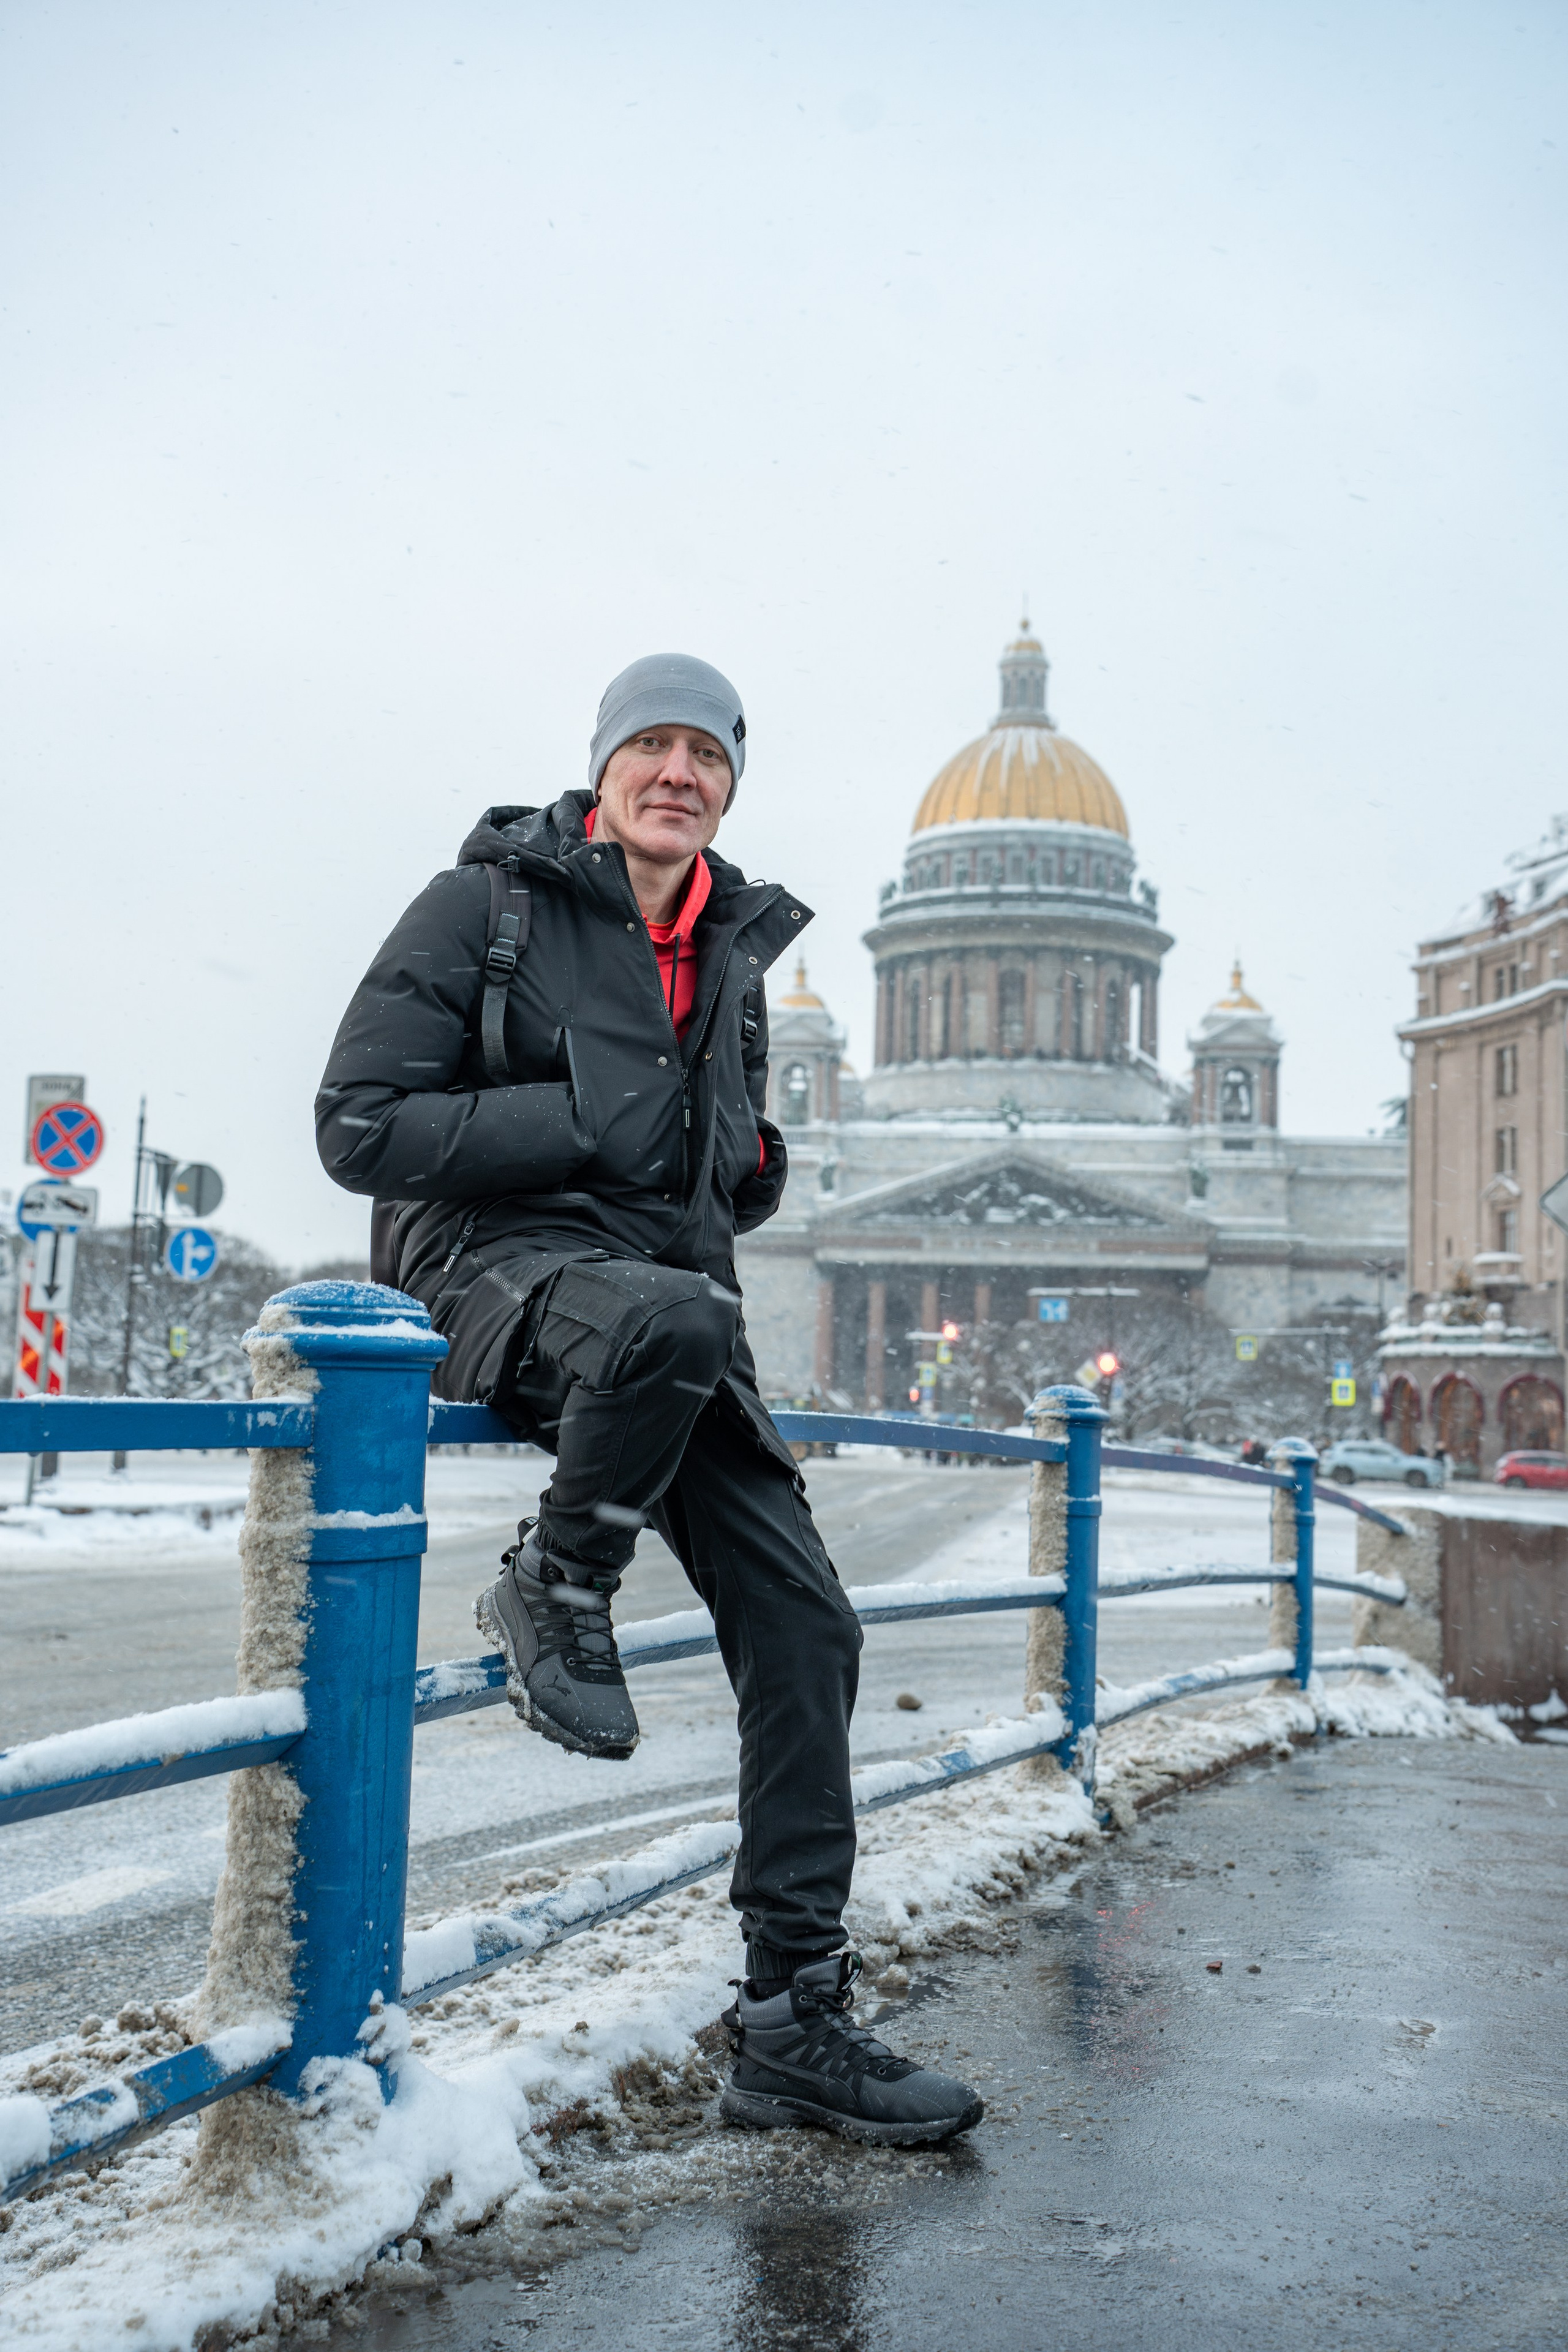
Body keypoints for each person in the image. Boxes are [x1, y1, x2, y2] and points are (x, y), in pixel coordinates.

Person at [316, 652, 982, 2145]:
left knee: (809, 1628)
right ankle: (558, 1580)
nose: (677, 771)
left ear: (729, 782)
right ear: (604, 766)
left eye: (706, 753)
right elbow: (358, 1126)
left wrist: (738, 1164)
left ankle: (791, 2020)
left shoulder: (734, 955)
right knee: (672, 1319)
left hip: (664, 1318)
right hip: (500, 1272)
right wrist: (579, 1122)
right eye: (651, 745)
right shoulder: (483, 907)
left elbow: (697, 1188)